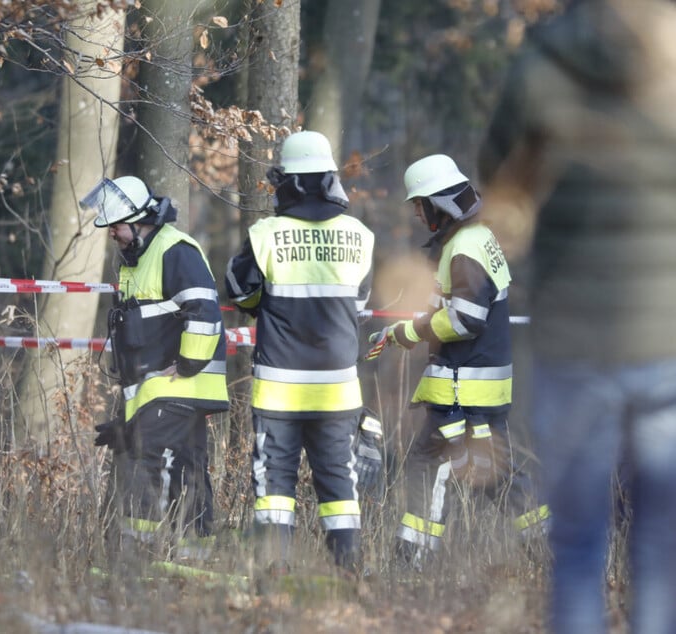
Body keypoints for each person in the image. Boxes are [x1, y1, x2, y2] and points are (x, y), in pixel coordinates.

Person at [477, 1, 676, 632]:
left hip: (574, 343)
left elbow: (501, 176)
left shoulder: (544, 65)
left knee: (580, 543)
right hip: (666, 340)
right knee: (661, 545)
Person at [366, 154, 549, 570]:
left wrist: (412, 333)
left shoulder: (464, 247)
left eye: (419, 205)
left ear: (439, 204)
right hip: (477, 390)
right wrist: (400, 331)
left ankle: (411, 562)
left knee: (431, 468)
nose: (416, 213)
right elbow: (446, 306)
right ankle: (548, 552)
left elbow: (466, 318)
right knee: (501, 477)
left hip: (462, 391)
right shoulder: (476, 238)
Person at [225, 130, 378, 576]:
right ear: (331, 180)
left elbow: (238, 291)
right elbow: (360, 306)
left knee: (274, 487)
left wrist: (266, 305)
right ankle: (349, 576)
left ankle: (274, 577)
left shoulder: (266, 234)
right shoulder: (359, 235)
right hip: (337, 391)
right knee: (340, 489)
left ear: (286, 182)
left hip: (279, 392)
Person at [81, 175, 229, 564]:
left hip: (179, 382)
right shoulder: (139, 260)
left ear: (140, 219)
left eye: (115, 225)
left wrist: (187, 365)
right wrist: (126, 418)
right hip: (162, 388)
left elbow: (204, 311)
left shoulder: (174, 250)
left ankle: (134, 556)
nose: (111, 232)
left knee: (140, 457)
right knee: (187, 466)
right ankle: (194, 557)